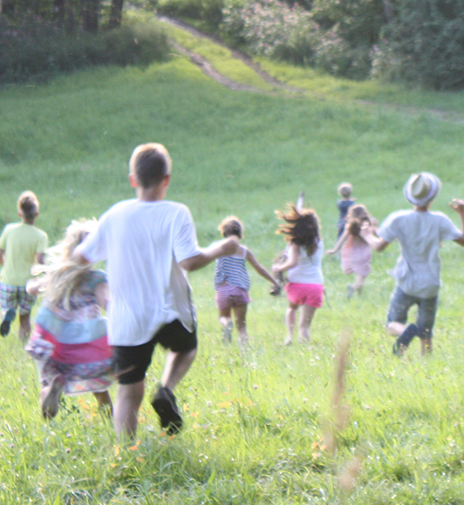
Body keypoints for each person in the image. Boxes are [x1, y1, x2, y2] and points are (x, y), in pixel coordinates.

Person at [76, 143, 241, 438]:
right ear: (166, 179)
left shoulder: (116, 214)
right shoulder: (176, 213)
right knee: (186, 348)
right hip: (170, 313)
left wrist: (57, 274)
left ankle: (126, 453)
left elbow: (81, 257)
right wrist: (221, 248)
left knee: (128, 392)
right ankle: (166, 389)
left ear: (132, 179)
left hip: (127, 320)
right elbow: (190, 261)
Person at [364, 172, 464, 357]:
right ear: (432, 197)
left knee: (392, 324)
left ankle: (406, 331)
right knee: (426, 332)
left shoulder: (398, 219)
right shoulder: (439, 220)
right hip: (430, 284)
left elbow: (379, 246)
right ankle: (427, 362)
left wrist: (367, 235)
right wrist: (462, 214)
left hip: (406, 283)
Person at [25, 219, 113, 419]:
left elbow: (32, 289)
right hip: (86, 339)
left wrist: (31, 284)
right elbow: (106, 303)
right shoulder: (96, 278)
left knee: (48, 379)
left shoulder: (59, 273)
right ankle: (110, 423)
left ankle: (50, 398)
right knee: (99, 386)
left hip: (55, 338)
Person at [213, 217, 280, 345]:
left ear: (224, 232)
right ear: (239, 233)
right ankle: (244, 350)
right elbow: (259, 268)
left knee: (224, 317)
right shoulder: (244, 251)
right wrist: (274, 281)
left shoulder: (219, 248)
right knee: (241, 325)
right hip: (240, 289)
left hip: (223, 289)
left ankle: (226, 326)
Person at [0, 190, 48, 339]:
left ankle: (7, 315)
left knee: (6, 308)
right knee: (25, 318)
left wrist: (6, 266)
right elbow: (40, 260)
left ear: (19, 213)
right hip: (28, 284)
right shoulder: (40, 236)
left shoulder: (9, 230)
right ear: (36, 214)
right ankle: (23, 345)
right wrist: (47, 274)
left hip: (8, 281)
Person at [272, 205, 324, 346]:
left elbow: (293, 262)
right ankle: (304, 348)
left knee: (292, 308)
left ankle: (289, 336)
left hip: (297, 284)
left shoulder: (295, 243)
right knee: (305, 326)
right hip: (315, 286)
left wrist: (278, 268)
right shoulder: (318, 242)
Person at [327, 204, 374, 298]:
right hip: (364, 255)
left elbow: (342, 238)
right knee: (361, 278)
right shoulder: (366, 225)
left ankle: (359, 296)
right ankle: (352, 288)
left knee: (360, 277)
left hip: (354, 255)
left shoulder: (351, 226)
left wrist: (334, 250)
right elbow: (375, 235)